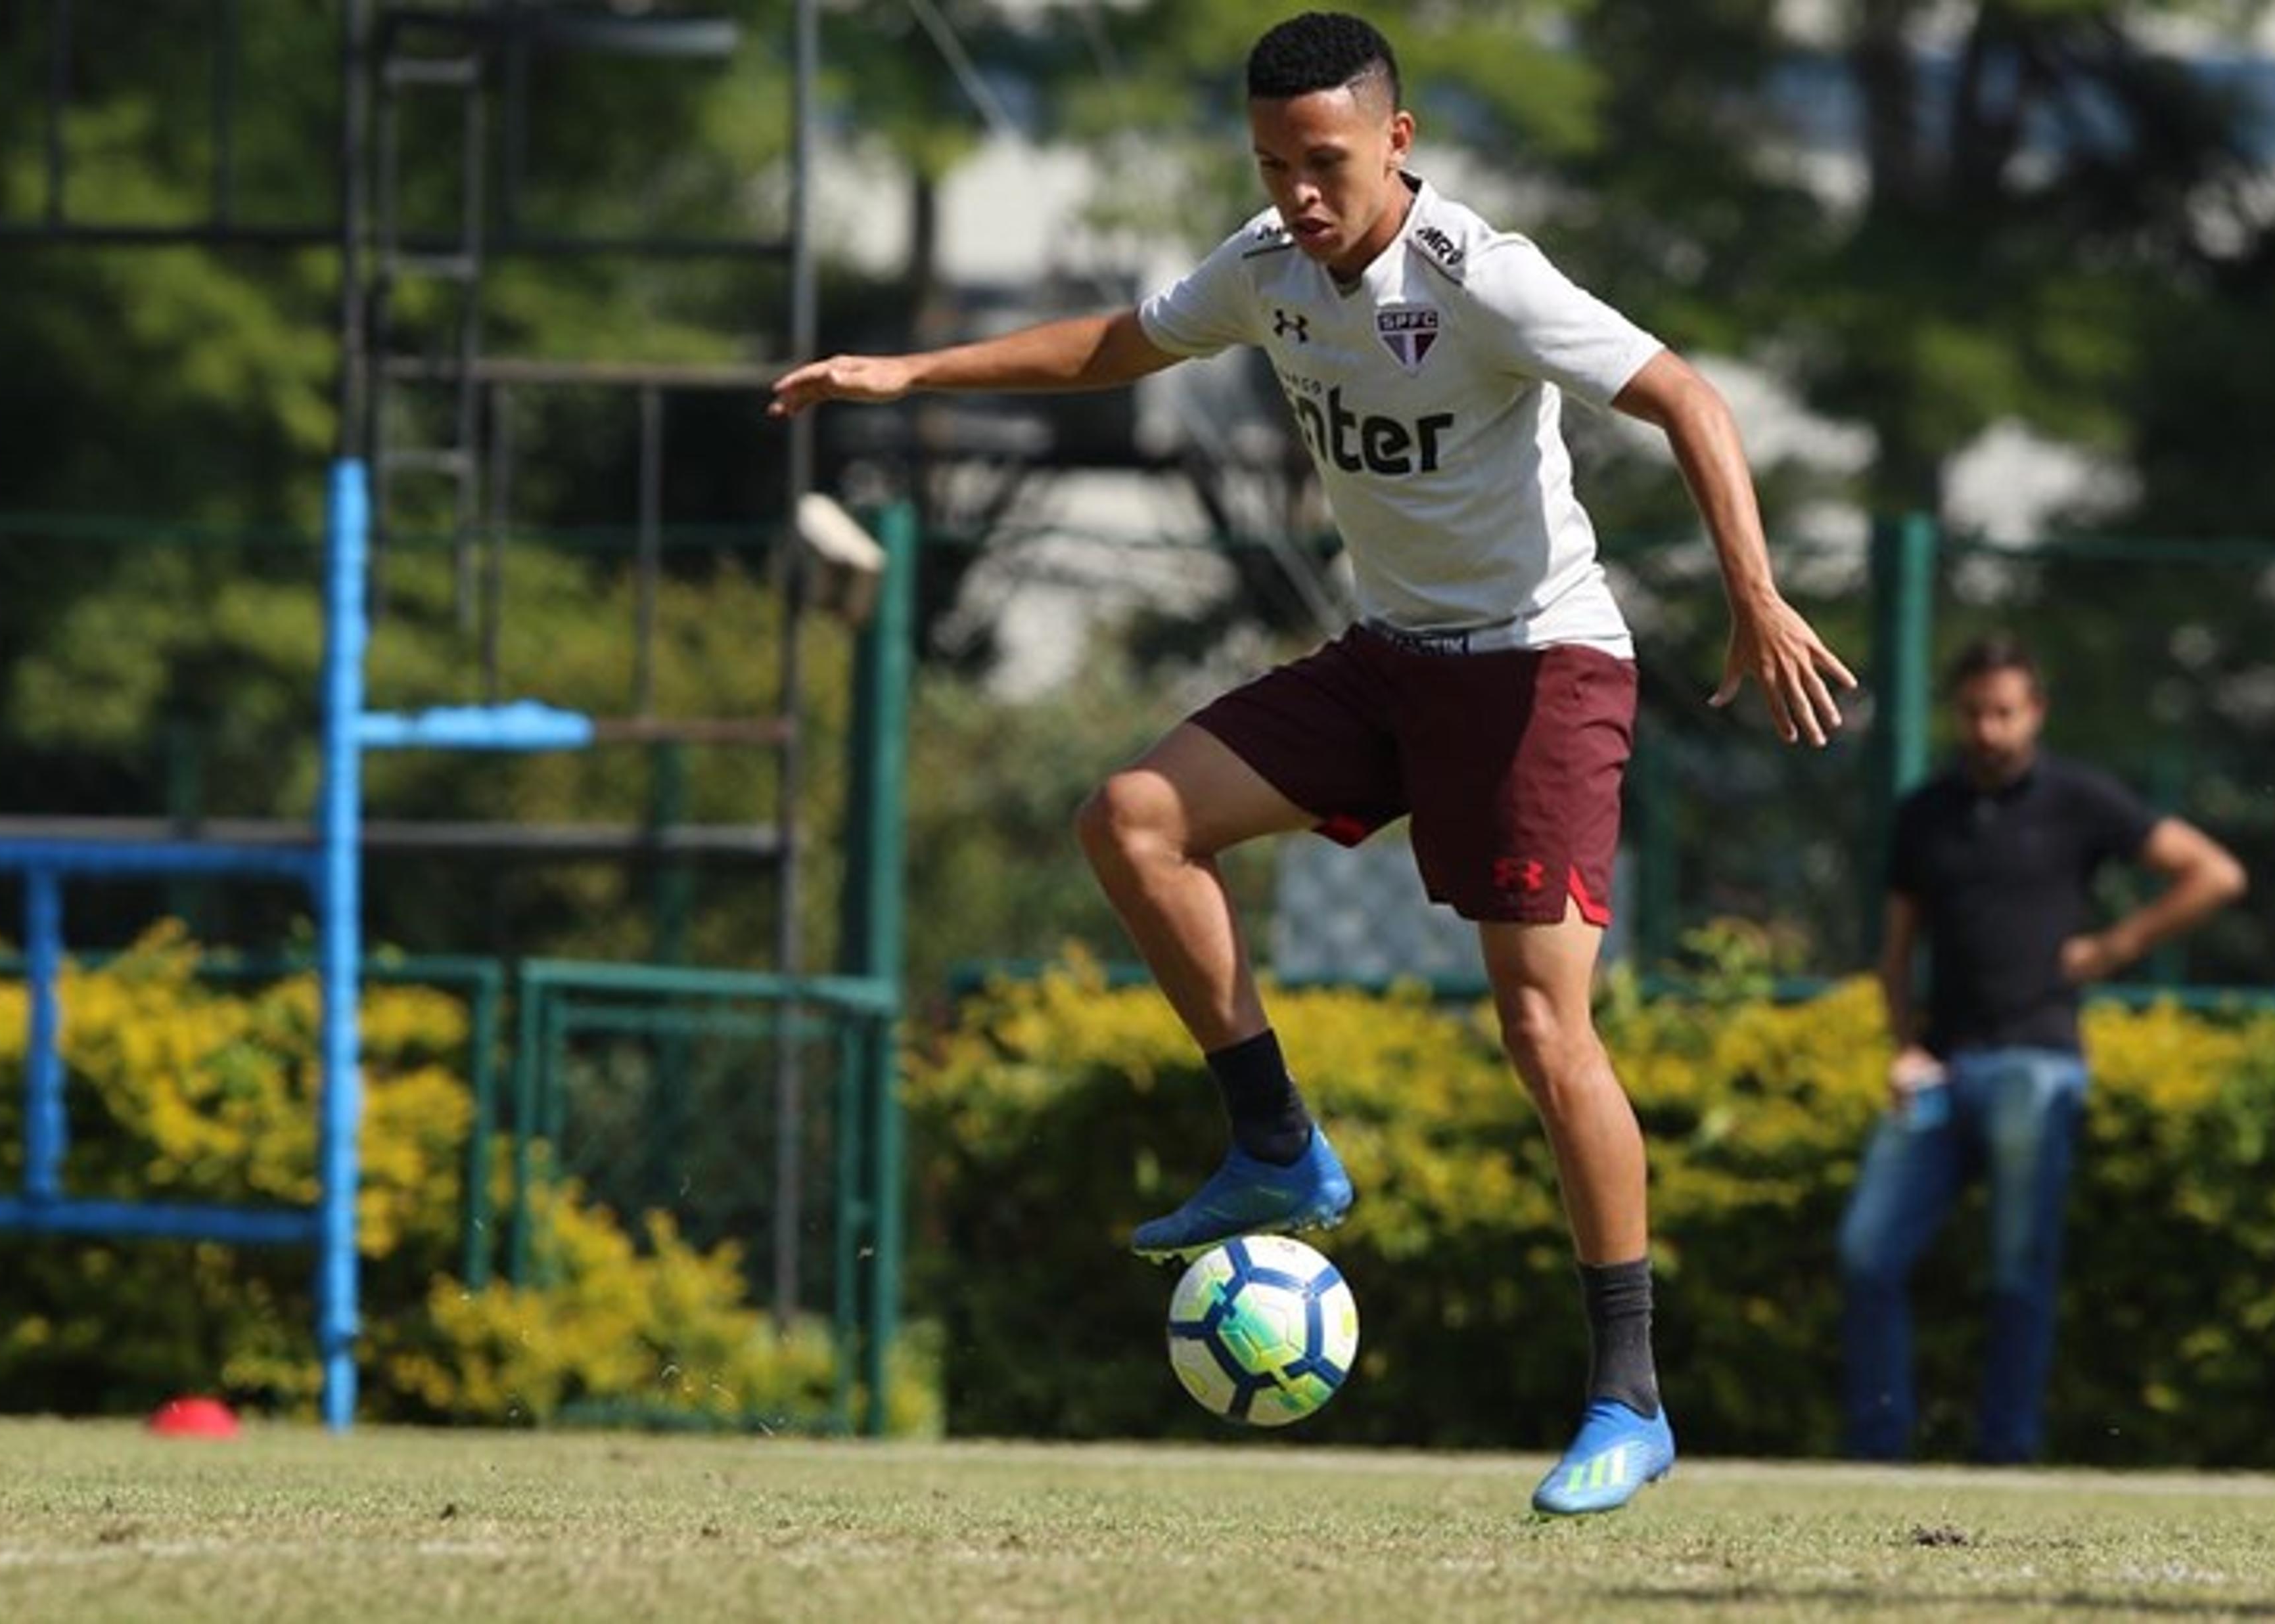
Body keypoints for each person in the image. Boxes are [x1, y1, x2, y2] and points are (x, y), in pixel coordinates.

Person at [770, 10, 1855, 1515]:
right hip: (1390, 659)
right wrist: (910, 374)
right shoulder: (1270, 267)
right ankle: (1275, 1141)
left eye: (1324, 161)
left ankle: (1629, 1397)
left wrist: (1750, 585)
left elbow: (1686, 395)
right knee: (1133, 820)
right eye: (1273, 162)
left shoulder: (1483, 275)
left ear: (1395, 145)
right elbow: (1121, 343)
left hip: (1541, 668)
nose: (1295, 190)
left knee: (1542, 1035)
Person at [1840, 633, 2246, 1464]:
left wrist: (2114, 947)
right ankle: (1877, 1448)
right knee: (1867, 1253)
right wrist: (1903, 1045)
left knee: (2020, 1267)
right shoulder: (1924, 813)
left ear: (2036, 714)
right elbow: (1894, 953)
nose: (1988, 730)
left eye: (2005, 713)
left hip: (2039, 1060)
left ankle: (2006, 1449)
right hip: (1942, 1067)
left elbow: (2214, 873)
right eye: (1974, 713)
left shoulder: (2080, 800)